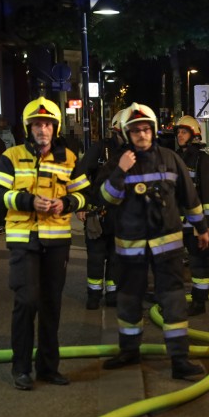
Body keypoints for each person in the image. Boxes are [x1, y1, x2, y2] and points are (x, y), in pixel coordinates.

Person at [98, 102, 209, 381]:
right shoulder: (118, 161)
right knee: (128, 300)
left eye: (146, 129)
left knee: (173, 302)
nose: (142, 134)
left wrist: (202, 229)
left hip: (167, 247)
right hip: (130, 248)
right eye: (136, 130)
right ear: (127, 133)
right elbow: (106, 199)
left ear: (154, 130)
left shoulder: (171, 159)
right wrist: (120, 171)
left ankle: (179, 360)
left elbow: (190, 199)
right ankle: (129, 351)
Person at [0, 96, 90, 390]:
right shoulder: (12, 156)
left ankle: (48, 368)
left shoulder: (69, 158)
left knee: (50, 305)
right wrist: (28, 200)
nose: (42, 129)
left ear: (55, 127)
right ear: (28, 127)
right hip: (23, 241)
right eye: (36, 124)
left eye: (47, 124)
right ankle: (21, 369)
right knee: (26, 301)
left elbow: (85, 196)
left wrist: (66, 203)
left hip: (56, 243)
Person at [76, 109, 125, 310]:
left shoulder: (133, 153)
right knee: (96, 257)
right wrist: (82, 204)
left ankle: (113, 295)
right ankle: (94, 295)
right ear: (116, 130)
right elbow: (79, 175)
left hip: (121, 215)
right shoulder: (100, 149)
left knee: (116, 257)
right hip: (96, 213)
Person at [174, 115, 209, 316]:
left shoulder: (203, 160)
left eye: (184, 132)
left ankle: (199, 302)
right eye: (178, 132)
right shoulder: (175, 157)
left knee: (198, 263)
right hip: (176, 223)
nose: (179, 135)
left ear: (194, 136)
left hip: (196, 224)